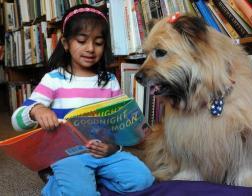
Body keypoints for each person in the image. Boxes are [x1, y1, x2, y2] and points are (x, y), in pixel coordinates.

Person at [11, 4, 154, 196]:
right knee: (81, 192)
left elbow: (118, 125)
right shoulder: (54, 79)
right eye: (81, 40)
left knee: (143, 180)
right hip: (67, 155)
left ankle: (90, 178)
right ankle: (55, 183)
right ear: (66, 43)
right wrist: (36, 110)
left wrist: (113, 147)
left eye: (98, 42)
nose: (90, 49)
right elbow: (17, 120)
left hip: (103, 152)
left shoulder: (110, 81)